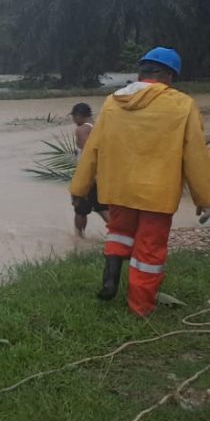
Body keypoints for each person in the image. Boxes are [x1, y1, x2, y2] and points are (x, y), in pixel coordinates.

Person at [70, 47, 210, 315]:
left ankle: (111, 278)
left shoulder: (113, 102)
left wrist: (79, 188)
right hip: (157, 194)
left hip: (119, 189)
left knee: (120, 233)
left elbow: (93, 150)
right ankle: (140, 306)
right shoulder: (182, 105)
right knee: (148, 251)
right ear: (169, 75)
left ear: (142, 72)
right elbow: (196, 156)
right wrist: (205, 199)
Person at [69, 102, 109, 237]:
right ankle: (119, 234)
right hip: (102, 174)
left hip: (86, 175)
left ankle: (79, 239)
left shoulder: (82, 130)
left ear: (79, 115)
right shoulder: (99, 126)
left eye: (73, 117)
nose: (73, 120)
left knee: (79, 209)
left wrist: (88, 177)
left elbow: (88, 154)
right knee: (102, 207)